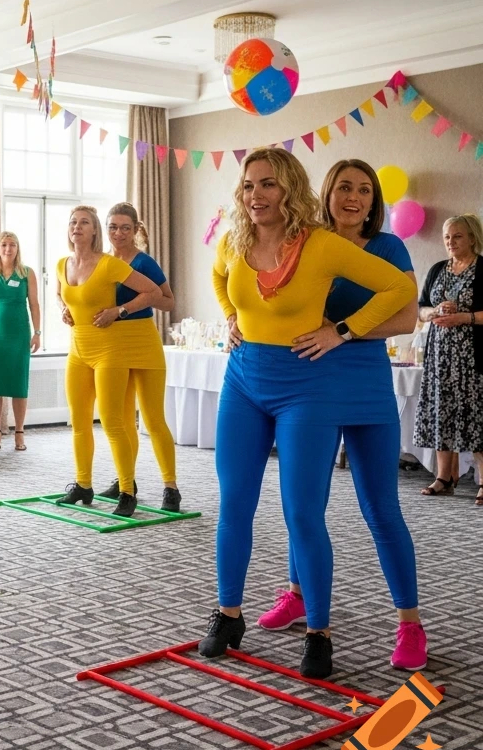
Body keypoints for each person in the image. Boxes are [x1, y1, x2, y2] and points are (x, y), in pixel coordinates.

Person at [201, 148, 416, 679]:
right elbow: (218, 276)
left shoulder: (321, 245)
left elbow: (402, 291)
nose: (256, 195)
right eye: (249, 185)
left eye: (268, 184)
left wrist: (339, 331)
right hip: (245, 378)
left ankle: (322, 632)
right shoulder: (234, 239)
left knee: (306, 510)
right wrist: (230, 316)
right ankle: (229, 614)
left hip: (312, 384)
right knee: (235, 503)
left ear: (291, 189)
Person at [256, 159, 427, 670]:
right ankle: (298, 594)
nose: (354, 198)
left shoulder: (389, 247)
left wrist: (341, 331)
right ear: (326, 193)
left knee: (381, 509)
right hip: (309, 388)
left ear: (374, 203)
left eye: (364, 191)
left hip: (368, 385)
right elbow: (268, 300)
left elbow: (406, 316)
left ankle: (411, 624)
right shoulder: (301, 241)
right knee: (303, 505)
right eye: (344, 188)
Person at [55, 206, 165, 518]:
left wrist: (120, 311)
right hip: (78, 351)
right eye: (73, 221)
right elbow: (62, 295)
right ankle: (83, 485)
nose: (77, 226)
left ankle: (128, 491)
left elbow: (153, 292)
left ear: (94, 232)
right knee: (78, 421)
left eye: (84, 222)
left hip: (110, 352)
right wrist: (64, 309)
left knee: (113, 422)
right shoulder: (63, 264)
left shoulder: (109, 265)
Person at [92, 203, 180, 512]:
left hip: (143, 340)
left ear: (136, 230)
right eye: (113, 227)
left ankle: (171, 487)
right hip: (111, 345)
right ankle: (124, 481)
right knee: (122, 420)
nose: (118, 233)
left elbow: (168, 302)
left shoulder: (145, 262)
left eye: (125, 228)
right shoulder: (100, 261)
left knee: (153, 419)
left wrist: (128, 306)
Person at [414, 214, 483, 505]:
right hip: (440, 358)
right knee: (442, 412)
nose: (450, 242)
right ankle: (445, 477)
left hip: (473, 358)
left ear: (471, 238)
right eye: (446, 237)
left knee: (477, 417)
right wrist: (435, 311)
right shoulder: (438, 269)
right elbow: (419, 310)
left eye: (457, 236)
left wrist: (464, 318)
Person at [0, 232, 41, 451]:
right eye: (4, 244)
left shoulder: (27, 273)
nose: (8, 248)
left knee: (18, 384)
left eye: (13, 244)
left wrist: (38, 332)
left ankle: (19, 433)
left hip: (19, 334)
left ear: (17, 248)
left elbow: (34, 304)